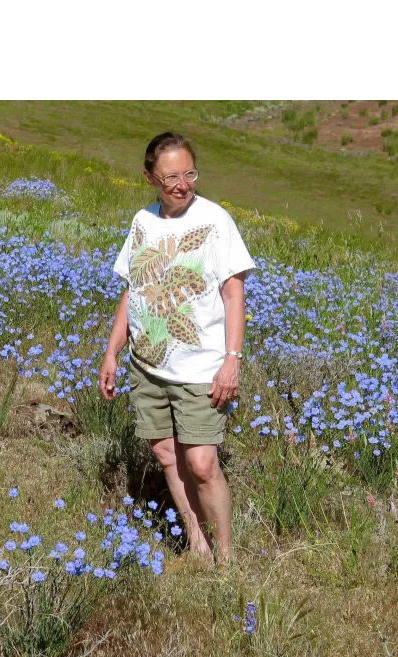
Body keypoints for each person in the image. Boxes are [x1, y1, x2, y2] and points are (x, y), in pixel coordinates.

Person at [98, 131, 256, 566]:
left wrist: (232, 361)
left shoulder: (216, 221)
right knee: (167, 455)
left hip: (200, 368)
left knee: (202, 463)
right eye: (171, 177)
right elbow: (134, 292)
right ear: (150, 177)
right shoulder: (142, 222)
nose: (183, 184)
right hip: (147, 365)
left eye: (190, 173)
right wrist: (112, 352)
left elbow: (233, 295)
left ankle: (226, 559)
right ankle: (196, 544)